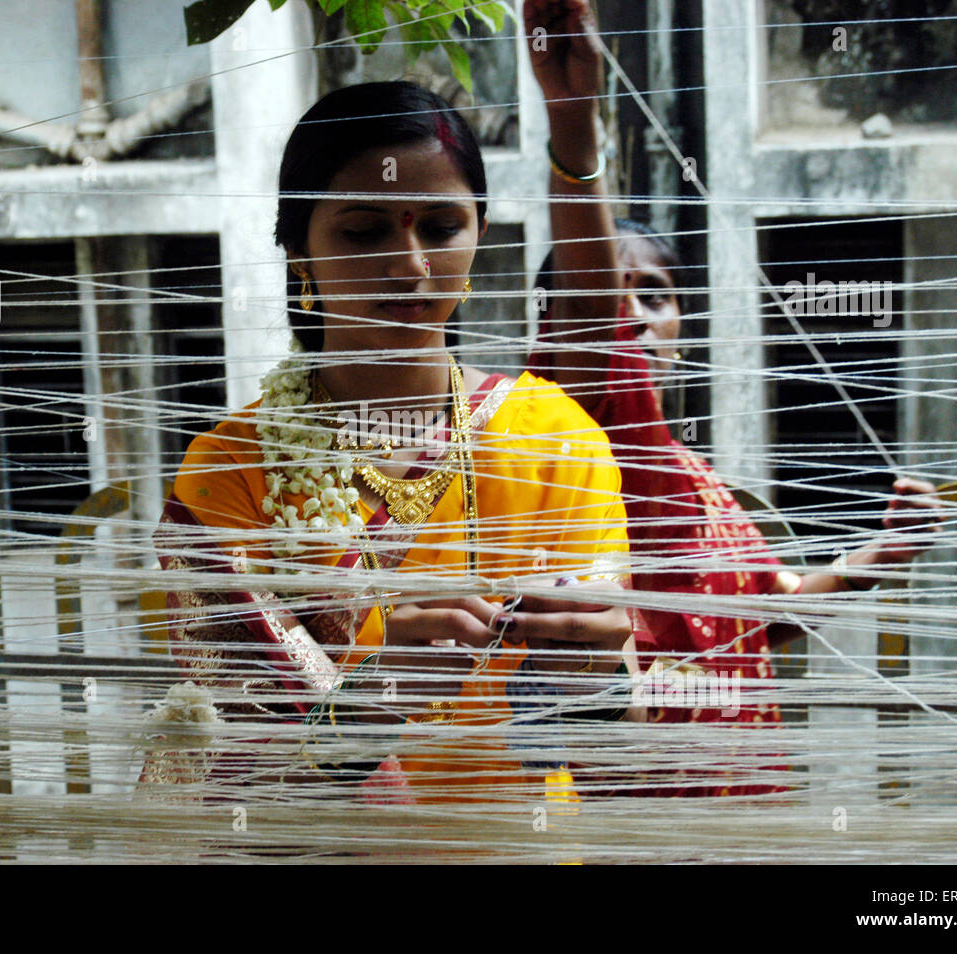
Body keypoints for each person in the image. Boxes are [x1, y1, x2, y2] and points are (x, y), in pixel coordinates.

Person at [147, 80, 645, 803]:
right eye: (363, 230)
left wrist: (594, 674)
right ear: (297, 249)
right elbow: (238, 772)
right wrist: (374, 694)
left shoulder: (555, 438)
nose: (410, 265)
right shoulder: (232, 468)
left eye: (440, 228)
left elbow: (617, 742)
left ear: (479, 233)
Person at [523, 0, 945, 795]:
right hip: (646, 810)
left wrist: (881, 556)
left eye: (654, 295)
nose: (636, 317)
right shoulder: (586, 435)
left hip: (742, 808)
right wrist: (574, 124)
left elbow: (768, 613)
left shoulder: (696, 477)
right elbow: (587, 312)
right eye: (617, 300)